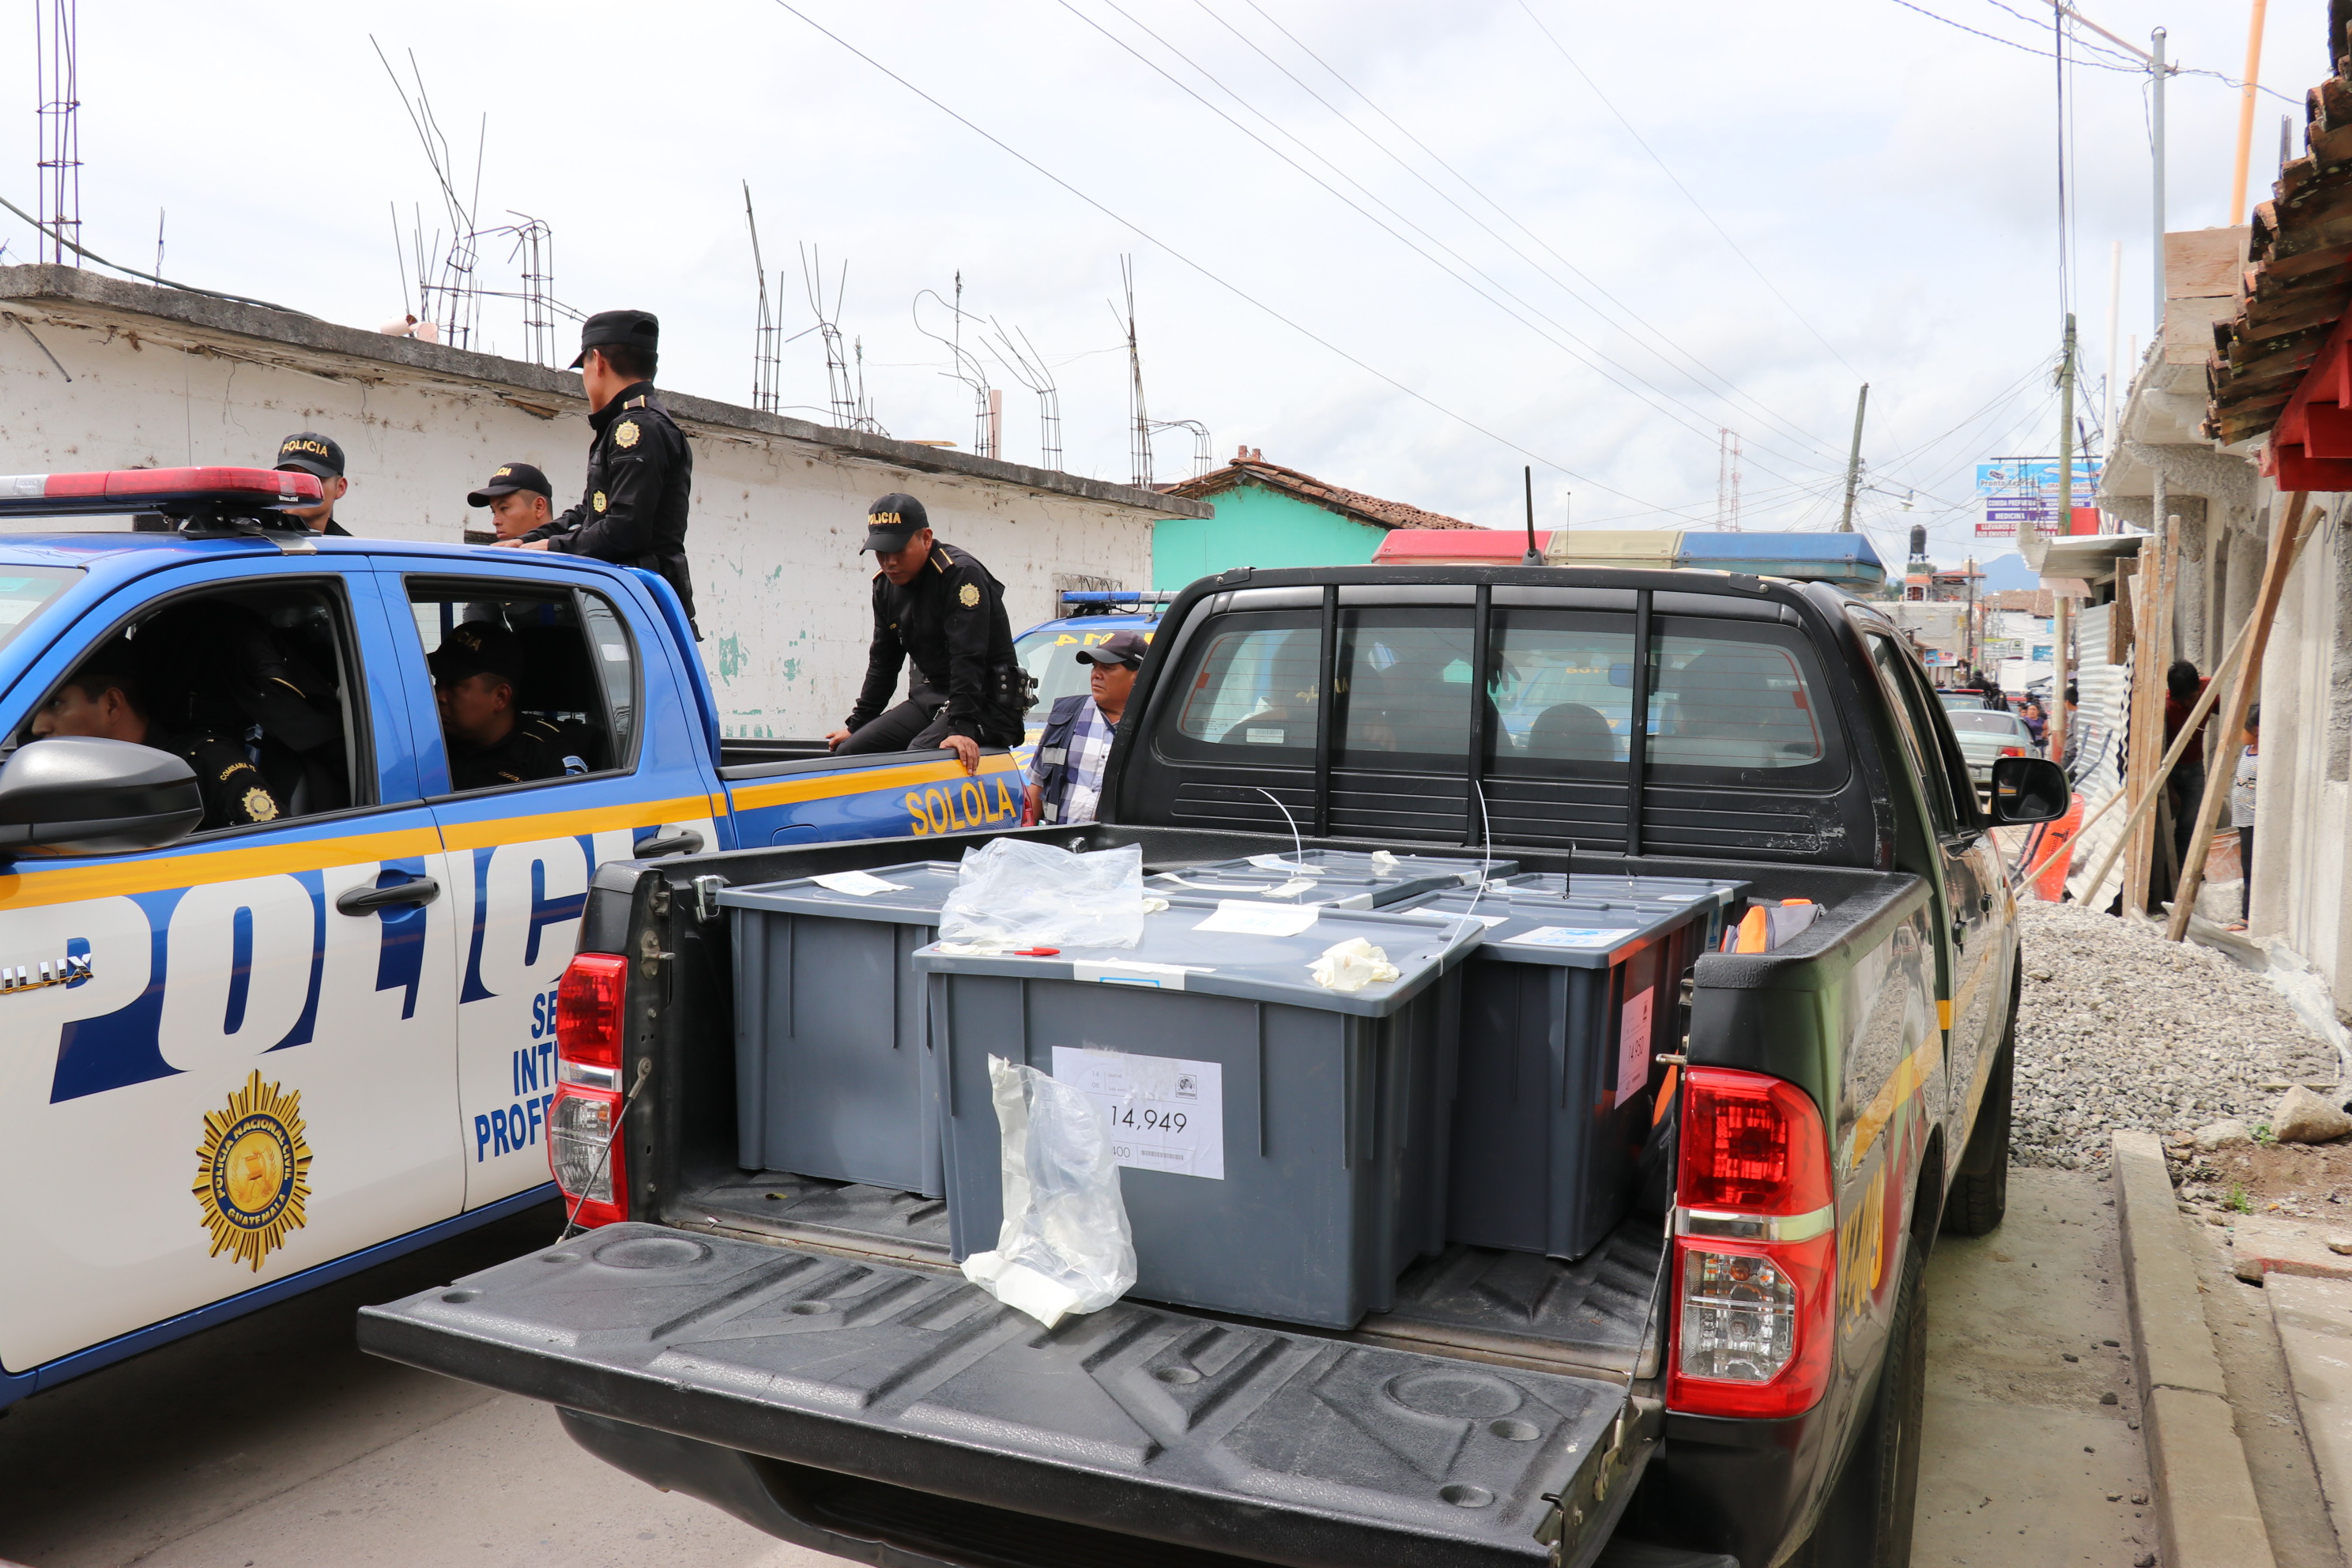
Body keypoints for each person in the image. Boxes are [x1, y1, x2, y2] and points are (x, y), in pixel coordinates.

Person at [505, 310, 697, 635]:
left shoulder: (636, 428)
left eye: (584, 367)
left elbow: (624, 530)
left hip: (637, 613)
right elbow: (588, 512)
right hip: (629, 607)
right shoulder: (628, 424)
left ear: (598, 361)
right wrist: (526, 540)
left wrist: (550, 547)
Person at [826, 493, 1028, 774]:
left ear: (926, 538)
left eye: (898, 550)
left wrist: (961, 729)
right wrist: (858, 724)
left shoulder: (959, 575)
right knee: (850, 753)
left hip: (986, 703)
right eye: (881, 552)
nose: (889, 562)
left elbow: (968, 657)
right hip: (934, 697)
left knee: (918, 759)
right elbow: (883, 663)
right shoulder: (885, 587)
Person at [28, 638, 284, 830]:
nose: (37, 727)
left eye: (55, 704)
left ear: (112, 705)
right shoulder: (53, 776)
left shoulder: (207, 766)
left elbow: (278, 855)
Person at [426, 620, 586, 790]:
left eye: (453, 686)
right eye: (438, 682)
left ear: (500, 698)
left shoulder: (547, 760)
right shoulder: (432, 745)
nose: (439, 696)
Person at [1023, 630, 1145, 825]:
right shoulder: (1065, 716)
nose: (1096, 674)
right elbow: (1037, 785)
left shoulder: (1152, 728)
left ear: (1138, 677)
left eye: (1108, 668)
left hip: (1118, 844)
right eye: (1095, 666)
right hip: (1059, 841)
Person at [2163, 660, 2209, 876]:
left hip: (2194, 769)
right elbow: (2159, 754)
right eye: (2184, 701)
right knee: (2164, 827)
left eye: (2192, 698)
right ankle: (2170, 875)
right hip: (2169, 770)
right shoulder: (2165, 707)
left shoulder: (2209, 691)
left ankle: (2184, 874)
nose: (2190, 704)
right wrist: (2170, 790)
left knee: (2190, 825)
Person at [273, 432, 351, 535]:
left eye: (313, 478)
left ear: (340, 488)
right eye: (289, 476)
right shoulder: (254, 539)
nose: (298, 486)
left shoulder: (349, 545)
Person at [466, 462, 556, 541]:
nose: (495, 522)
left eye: (504, 508)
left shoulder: (562, 550)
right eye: (494, 512)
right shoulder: (495, 553)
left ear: (539, 507)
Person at [2230, 705, 2260, 932]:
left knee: (2250, 868)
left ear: (2256, 730)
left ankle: (2247, 917)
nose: (2240, 733)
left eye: (2244, 728)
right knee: (2246, 866)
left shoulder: (2264, 758)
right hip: (2242, 819)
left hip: (2253, 821)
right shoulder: (2246, 751)